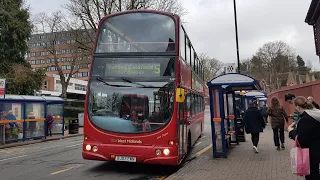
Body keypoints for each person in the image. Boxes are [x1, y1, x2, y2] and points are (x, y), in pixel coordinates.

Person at [288, 96, 320, 180]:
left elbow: (302, 141)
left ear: (298, 106)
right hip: (317, 151)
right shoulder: (316, 114)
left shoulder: (305, 120)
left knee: (312, 176)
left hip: (312, 155)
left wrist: (291, 131)